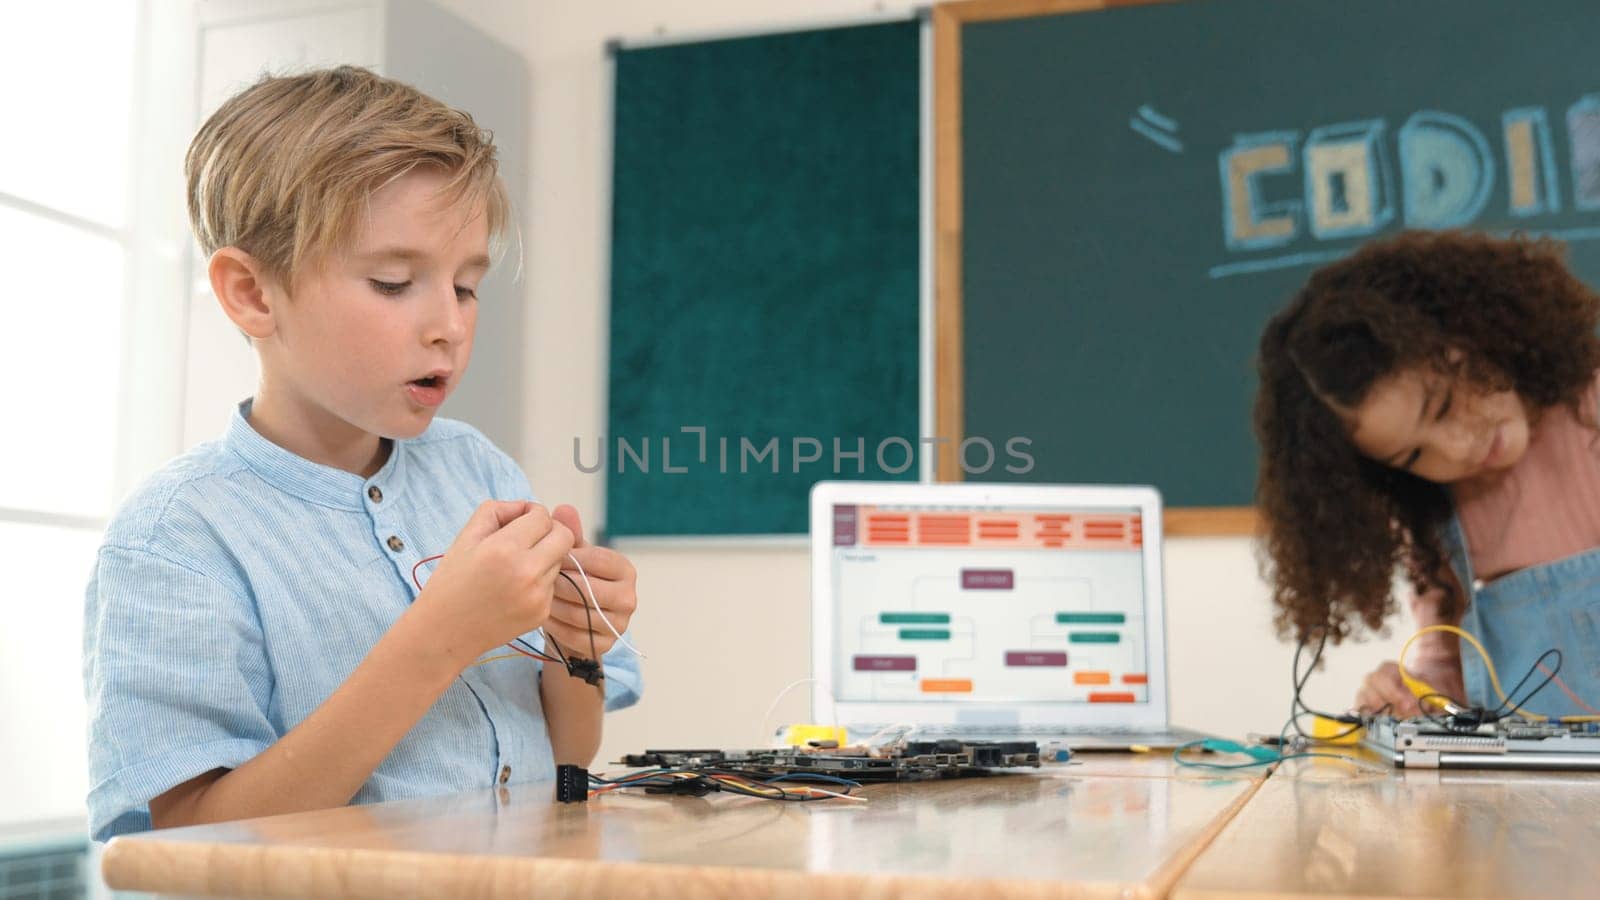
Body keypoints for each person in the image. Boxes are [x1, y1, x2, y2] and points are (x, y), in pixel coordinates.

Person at [83, 66, 641, 842]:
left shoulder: (478, 471)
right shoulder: (177, 539)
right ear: (251, 293)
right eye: (392, 282)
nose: (449, 324)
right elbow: (191, 844)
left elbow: (570, 752)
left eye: (468, 286)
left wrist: (573, 649)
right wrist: (439, 638)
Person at [1253, 229, 1600, 719]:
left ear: (1474, 328)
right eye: (1414, 456)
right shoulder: (1434, 522)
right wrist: (1412, 696)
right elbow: (1452, 673)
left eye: (1445, 404)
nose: (1459, 448)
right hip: (1530, 793)